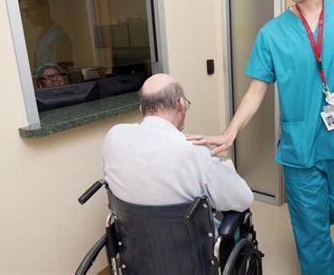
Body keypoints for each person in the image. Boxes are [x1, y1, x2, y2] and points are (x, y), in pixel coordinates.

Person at [188, 0, 334, 275]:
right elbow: (256, 91)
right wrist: (230, 132)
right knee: (311, 231)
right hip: (299, 150)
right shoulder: (272, 34)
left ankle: (315, 231)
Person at [102, 73, 254, 230]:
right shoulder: (196, 153)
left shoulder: (114, 136)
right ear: (181, 105)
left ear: (142, 108)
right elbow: (244, 199)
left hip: (136, 247)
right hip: (193, 250)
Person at [18, 0, 73, 70]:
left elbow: (50, 76)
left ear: (45, 8)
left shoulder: (56, 38)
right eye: (23, 11)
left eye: (30, 9)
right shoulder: (46, 34)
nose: (26, 15)